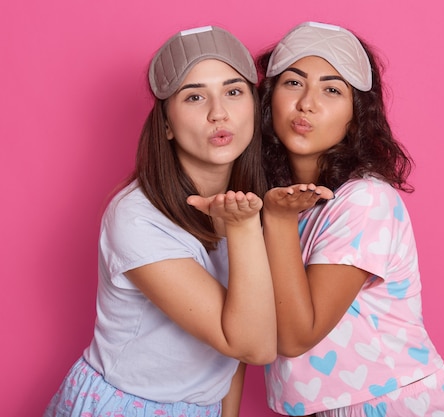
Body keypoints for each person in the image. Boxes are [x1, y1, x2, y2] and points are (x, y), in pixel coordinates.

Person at [44, 25, 277, 417]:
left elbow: (236, 347)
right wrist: (243, 229)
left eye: (234, 92)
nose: (218, 112)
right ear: (166, 124)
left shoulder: (248, 204)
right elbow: (253, 344)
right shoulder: (137, 218)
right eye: (194, 96)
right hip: (124, 407)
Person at [257, 22, 444, 417]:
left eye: (332, 89)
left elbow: (295, 336)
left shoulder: (365, 200)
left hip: (397, 405)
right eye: (293, 83)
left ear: (356, 116)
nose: (307, 103)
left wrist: (276, 220)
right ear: (269, 97)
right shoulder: (283, 203)